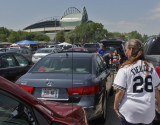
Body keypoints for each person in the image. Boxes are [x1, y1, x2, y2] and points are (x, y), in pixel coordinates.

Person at [113, 39, 160, 125]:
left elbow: (119, 92)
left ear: (131, 50)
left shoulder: (125, 68)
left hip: (130, 113)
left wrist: (115, 107)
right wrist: (159, 104)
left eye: (126, 50)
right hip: (148, 112)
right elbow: (156, 89)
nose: (126, 52)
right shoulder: (150, 66)